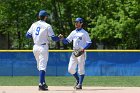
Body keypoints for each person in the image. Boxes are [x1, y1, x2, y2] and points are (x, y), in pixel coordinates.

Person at [26, 10, 60, 91]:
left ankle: (43, 83)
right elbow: (53, 38)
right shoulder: (47, 25)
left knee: (39, 66)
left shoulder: (34, 24)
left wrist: (35, 37)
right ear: (45, 17)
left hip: (35, 47)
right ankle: (41, 84)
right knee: (42, 66)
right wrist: (59, 37)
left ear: (38, 17)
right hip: (43, 47)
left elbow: (27, 35)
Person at [61, 17, 92, 89]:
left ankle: (80, 84)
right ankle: (78, 80)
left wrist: (83, 49)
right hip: (74, 52)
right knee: (70, 69)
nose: (76, 23)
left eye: (77, 22)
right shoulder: (73, 32)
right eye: (75, 22)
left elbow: (89, 42)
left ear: (81, 23)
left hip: (81, 52)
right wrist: (62, 39)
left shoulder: (84, 33)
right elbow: (67, 41)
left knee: (81, 69)